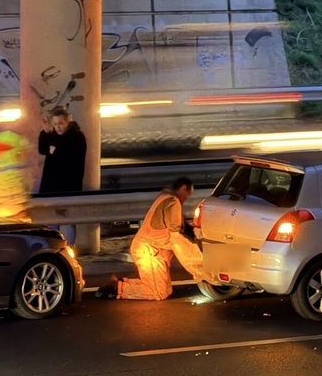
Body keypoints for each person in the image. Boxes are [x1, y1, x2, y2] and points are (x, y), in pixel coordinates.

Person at [98, 177, 208, 301]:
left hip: (152, 250)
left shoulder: (165, 198)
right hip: (149, 250)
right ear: (183, 188)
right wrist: (201, 269)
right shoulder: (173, 202)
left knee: (165, 290)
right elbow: (177, 239)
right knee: (158, 293)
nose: (187, 198)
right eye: (188, 194)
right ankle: (118, 288)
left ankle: (119, 283)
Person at [38, 106, 87, 244]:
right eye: (55, 124)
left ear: (67, 122)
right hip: (52, 183)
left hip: (69, 183)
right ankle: (55, 248)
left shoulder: (77, 136)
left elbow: (69, 155)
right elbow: (43, 150)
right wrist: (47, 132)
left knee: (69, 220)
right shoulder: (52, 135)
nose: (58, 127)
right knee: (53, 220)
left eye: (61, 123)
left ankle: (69, 249)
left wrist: (54, 150)